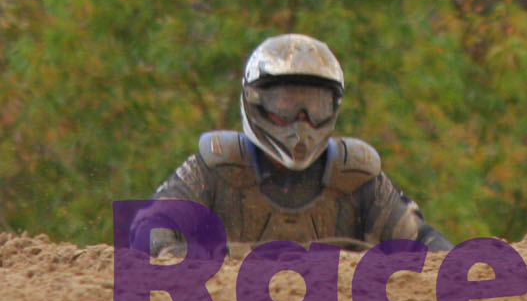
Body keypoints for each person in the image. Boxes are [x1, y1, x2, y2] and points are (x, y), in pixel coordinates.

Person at [133, 33, 450, 254]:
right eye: (286, 106)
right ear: (255, 101)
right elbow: (151, 223)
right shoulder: (218, 166)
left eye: (314, 108)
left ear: (333, 107)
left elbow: (422, 238)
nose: (301, 122)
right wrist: (172, 253)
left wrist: (452, 266)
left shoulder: (356, 176)